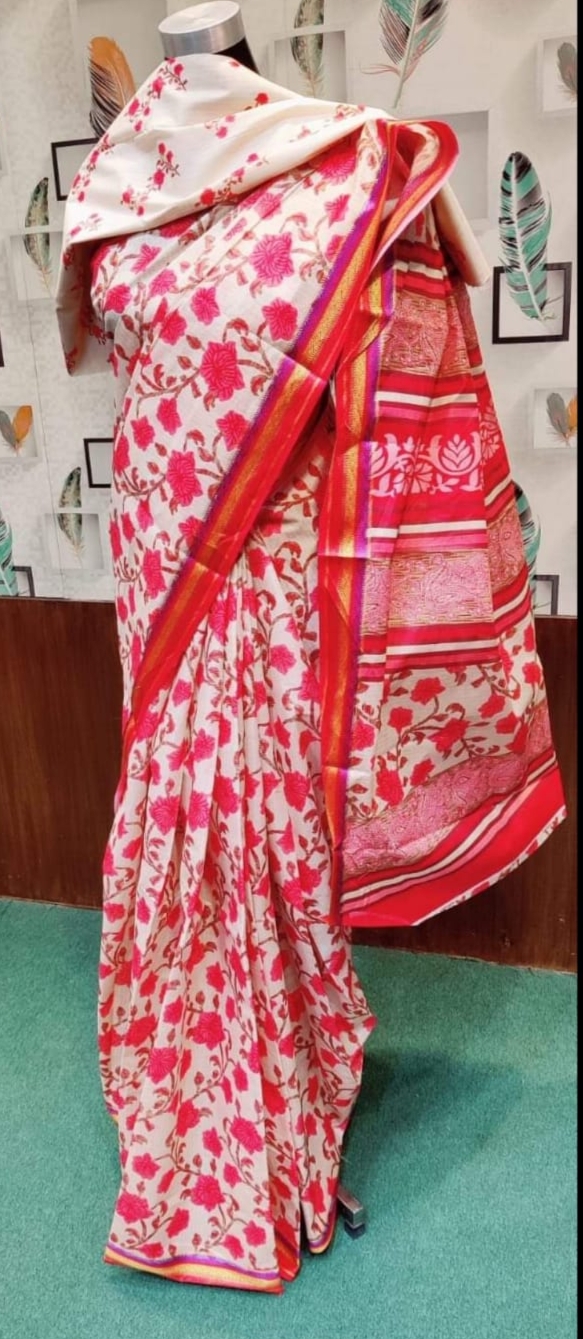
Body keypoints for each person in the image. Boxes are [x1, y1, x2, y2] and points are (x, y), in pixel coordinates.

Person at [55, 43, 565, 1293]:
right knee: (179, 824)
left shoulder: (344, 164)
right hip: (161, 561)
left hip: (275, 570)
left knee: (266, 835)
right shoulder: (117, 179)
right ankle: (197, 1097)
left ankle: (271, 1117)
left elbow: (411, 322)